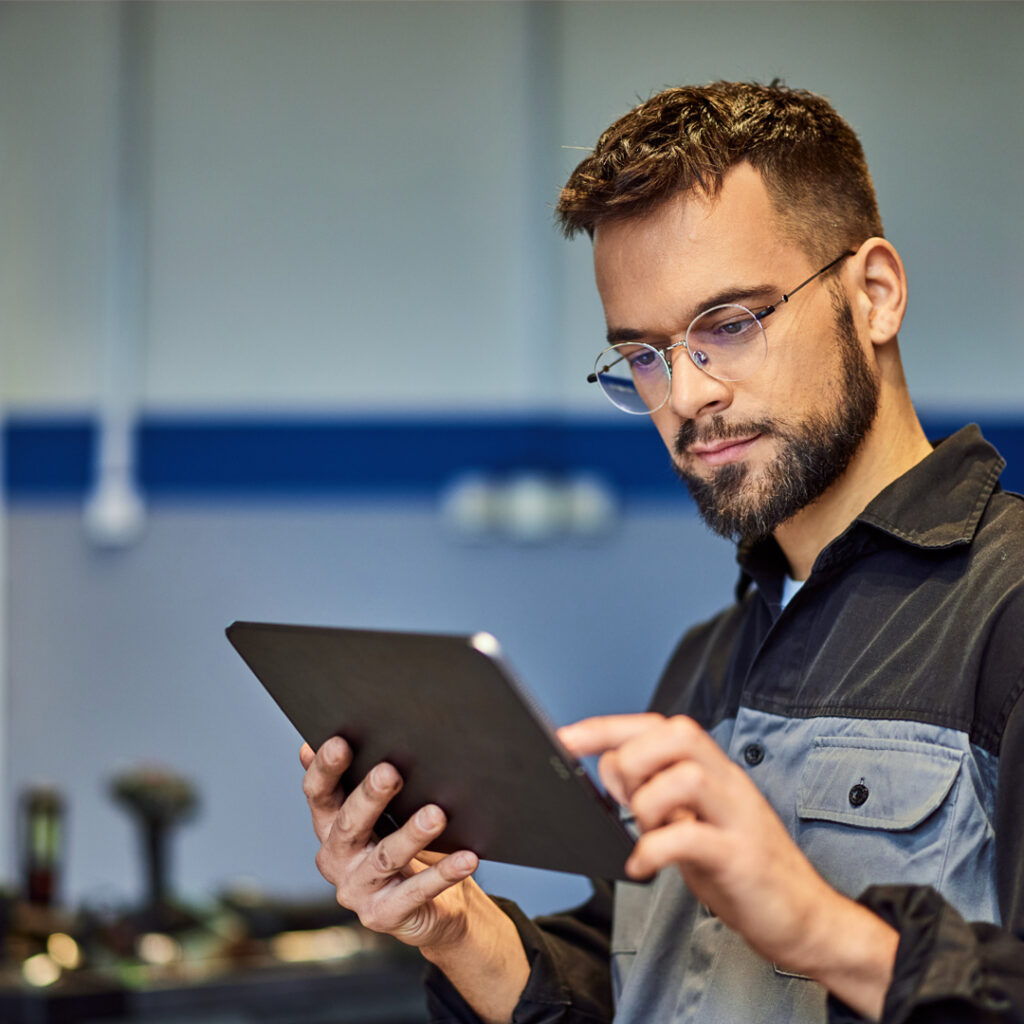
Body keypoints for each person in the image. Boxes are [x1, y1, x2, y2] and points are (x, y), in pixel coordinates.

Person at [300, 81, 1024, 1023]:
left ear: (875, 293)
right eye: (644, 353)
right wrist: (452, 925)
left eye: (729, 325)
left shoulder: (1005, 614)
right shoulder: (705, 665)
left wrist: (817, 926)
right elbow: (644, 982)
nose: (684, 394)